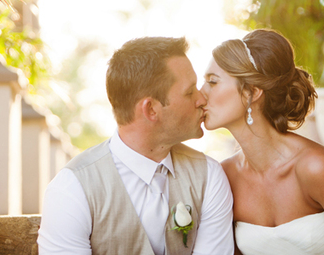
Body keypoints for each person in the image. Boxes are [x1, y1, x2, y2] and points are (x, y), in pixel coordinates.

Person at [200, 29, 324, 255]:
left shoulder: (316, 168)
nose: (200, 94)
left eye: (212, 82)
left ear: (252, 92)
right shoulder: (225, 177)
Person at [38, 36, 234, 255]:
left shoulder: (209, 176)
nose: (202, 99)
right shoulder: (72, 189)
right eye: (189, 92)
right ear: (151, 109)